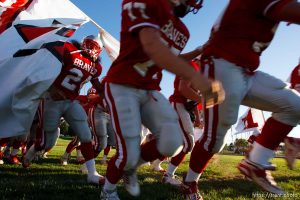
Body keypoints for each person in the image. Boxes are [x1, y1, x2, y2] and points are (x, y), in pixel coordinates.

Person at [100, 0, 225, 199]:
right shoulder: (145, 3)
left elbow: (173, 56)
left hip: (150, 89)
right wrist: (198, 80)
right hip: (122, 84)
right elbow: (152, 47)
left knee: (173, 142)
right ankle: (108, 190)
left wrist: (202, 48)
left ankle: (129, 168)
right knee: (128, 152)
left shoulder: (182, 30)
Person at [180, 0, 300, 198]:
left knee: (294, 105)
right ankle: (190, 182)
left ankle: (256, 162)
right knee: (214, 139)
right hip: (219, 67)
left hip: (245, 72)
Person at [22, 35, 105, 185]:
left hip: (71, 101)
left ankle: (92, 173)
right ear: (84, 42)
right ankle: (32, 151)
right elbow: (47, 65)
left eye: (95, 47)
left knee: (86, 134)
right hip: (51, 99)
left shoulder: (96, 67)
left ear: (99, 50)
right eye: (90, 45)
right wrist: (51, 87)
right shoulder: (69, 49)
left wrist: (109, 91)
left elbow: (97, 85)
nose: (92, 49)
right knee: (46, 143)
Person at [162, 59, 202, 186]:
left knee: (178, 142)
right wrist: (206, 99)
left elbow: (193, 100)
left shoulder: (200, 74)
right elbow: (183, 89)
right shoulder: (192, 66)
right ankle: (168, 175)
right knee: (188, 143)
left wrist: (198, 118)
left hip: (183, 107)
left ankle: (163, 169)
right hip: (178, 104)